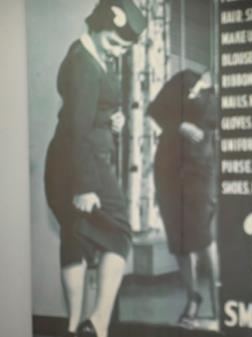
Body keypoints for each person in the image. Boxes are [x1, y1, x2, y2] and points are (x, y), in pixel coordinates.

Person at [44, 1, 146, 337]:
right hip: (82, 162)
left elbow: (85, 113)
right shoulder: (84, 64)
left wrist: (111, 119)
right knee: (119, 232)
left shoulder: (84, 54)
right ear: (96, 25)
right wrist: (84, 185)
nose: (117, 51)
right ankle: (98, 324)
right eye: (113, 42)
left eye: (123, 47)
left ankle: (74, 328)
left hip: (67, 159)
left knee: (76, 238)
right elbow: (78, 127)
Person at [148, 69, 220, 330]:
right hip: (168, 168)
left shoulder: (223, 92)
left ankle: (220, 305)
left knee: (202, 236)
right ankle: (193, 300)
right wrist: (179, 124)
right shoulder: (183, 79)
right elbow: (154, 109)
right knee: (178, 239)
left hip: (200, 170)